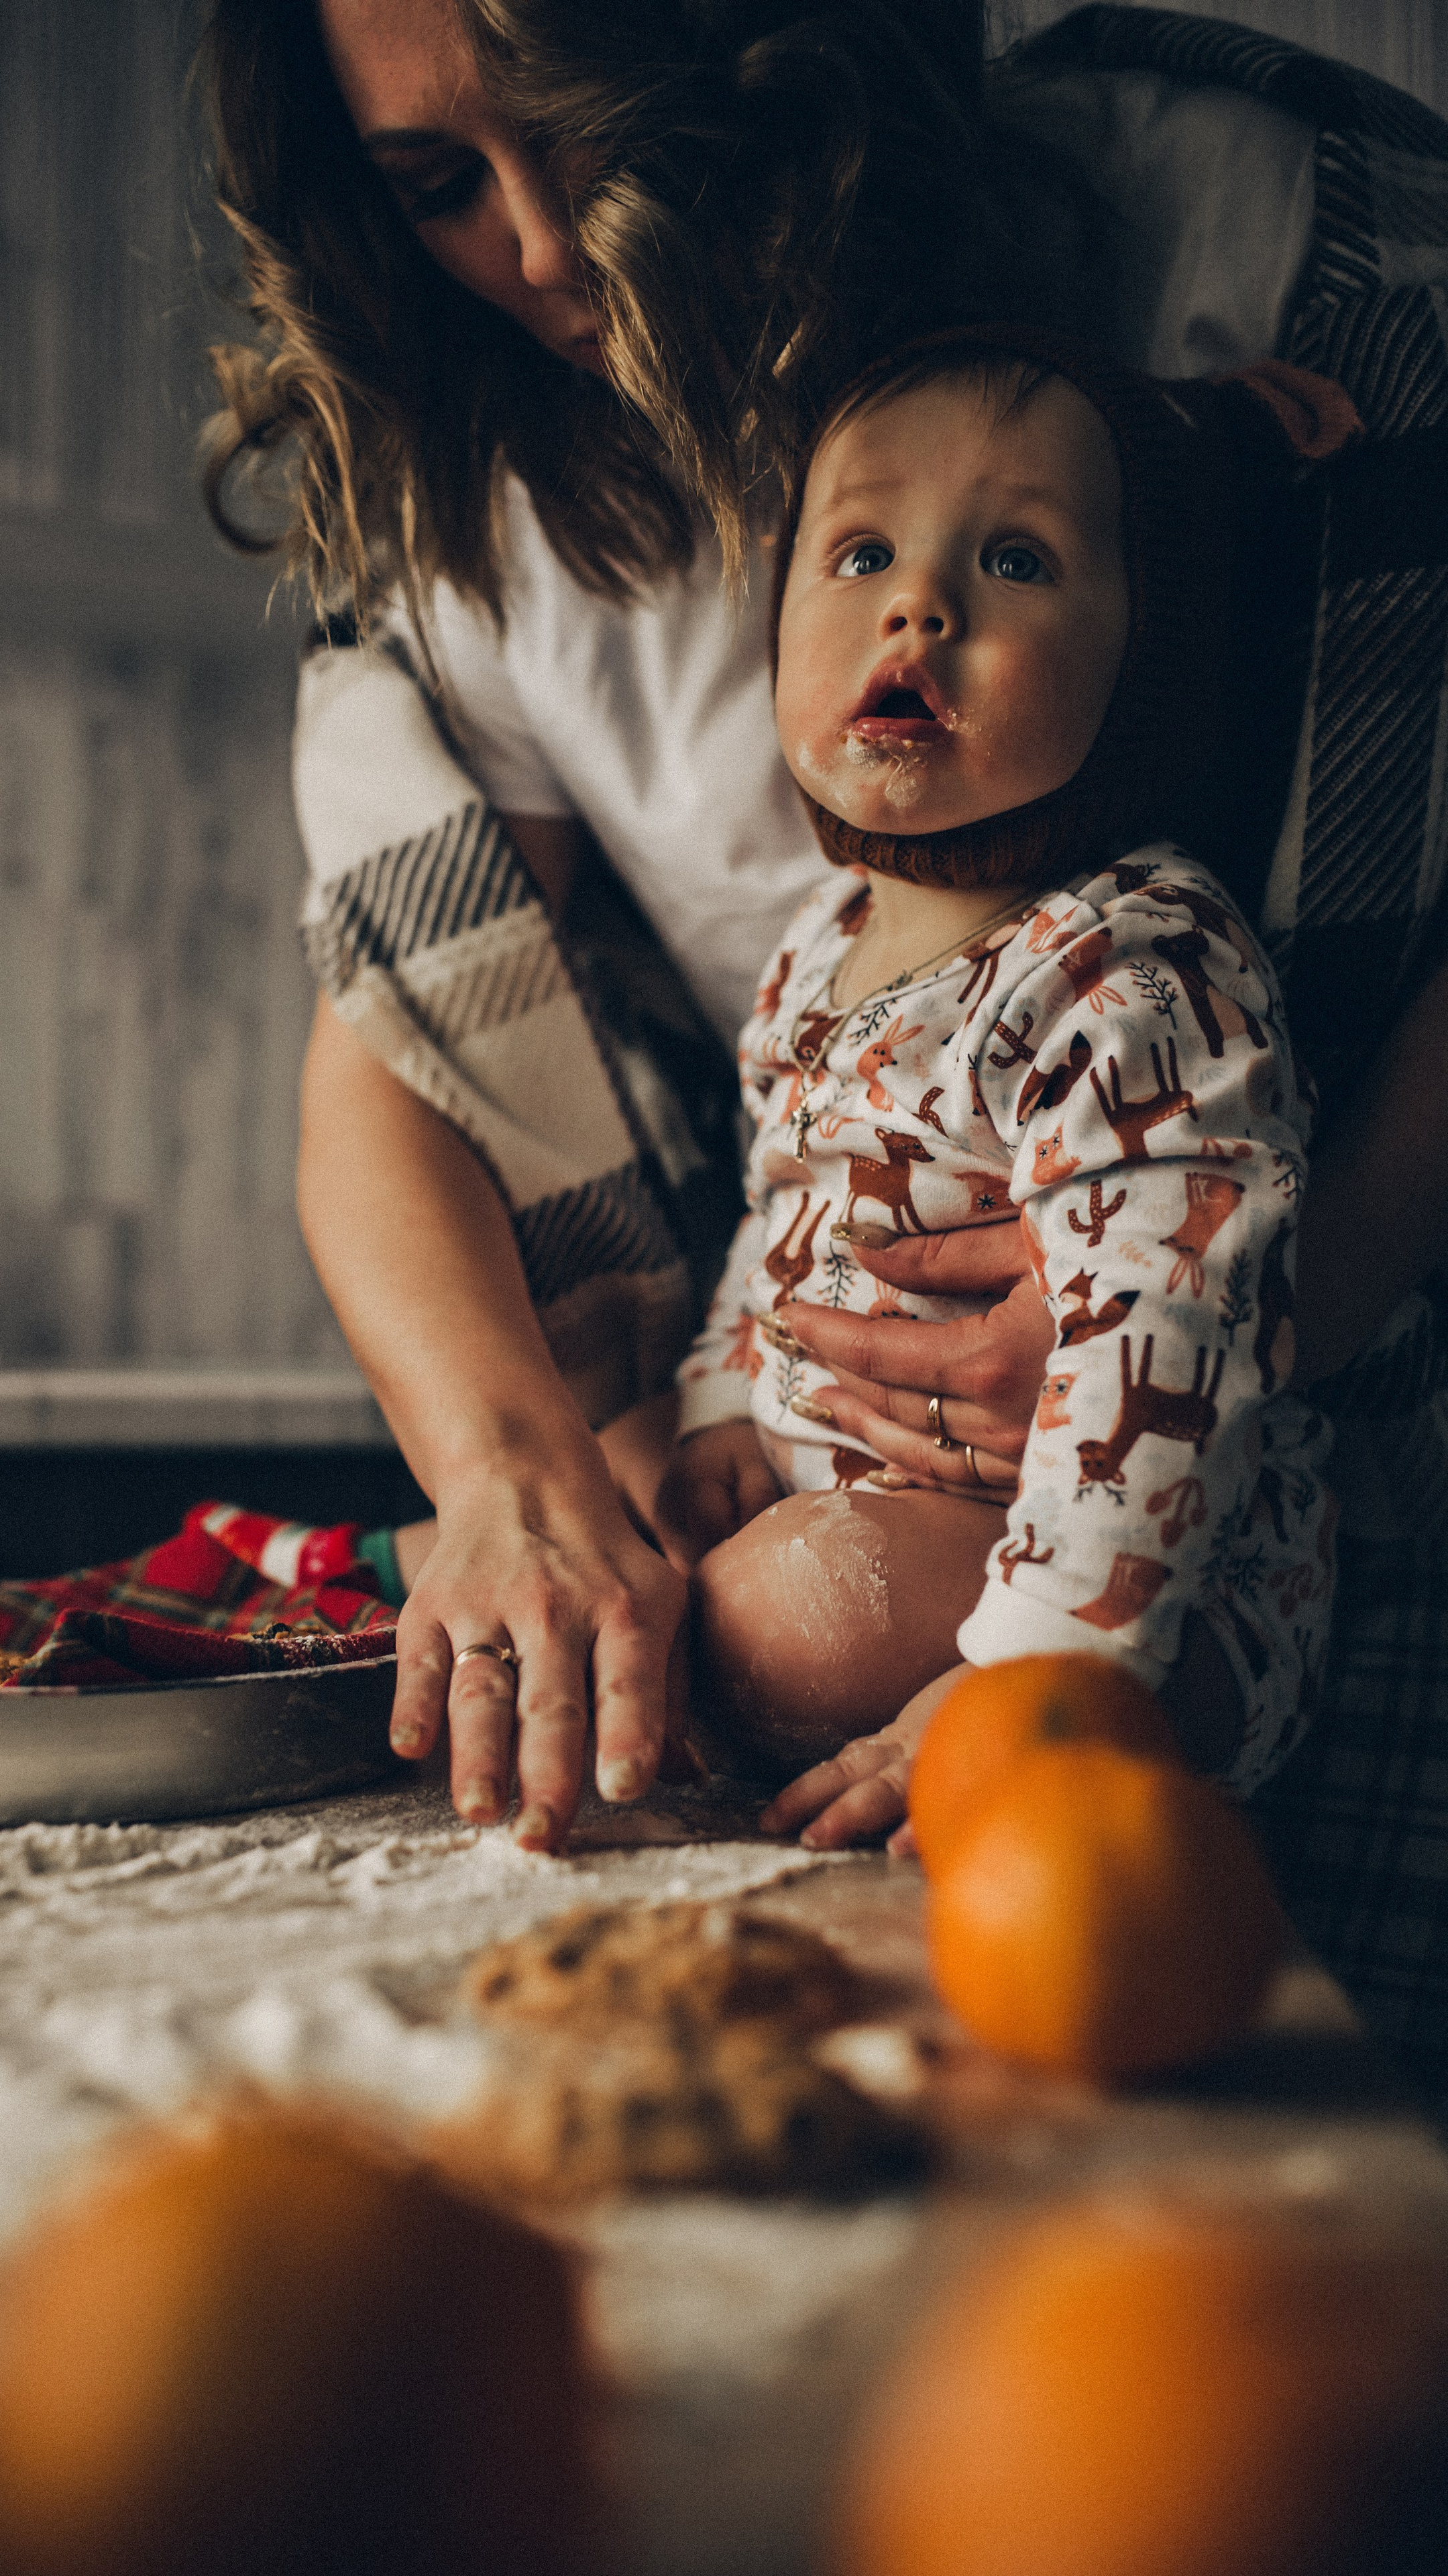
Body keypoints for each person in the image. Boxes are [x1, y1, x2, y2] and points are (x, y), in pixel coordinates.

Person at [199, 2, 1448, 2098]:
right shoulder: (522, 538)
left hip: (1239, 1522)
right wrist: (566, 1458)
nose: (544, 250)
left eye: (600, 138)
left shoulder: (1241, 233)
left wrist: (1229, 1322)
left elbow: (1207, 1295)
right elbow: (423, 1055)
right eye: (434, 187)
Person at [664, 329, 1335, 1845]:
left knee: (773, 1618)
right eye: (858, 551)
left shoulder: (1130, 965)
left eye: (1017, 561)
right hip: (908, 1520)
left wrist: (1040, 1667)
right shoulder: (814, 946)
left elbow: (1169, 1337)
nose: (917, 600)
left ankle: (1009, 1703)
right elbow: (772, 1207)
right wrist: (718, 1402)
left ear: (1148, 660)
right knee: (669, 1542)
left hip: (1166, 1584)